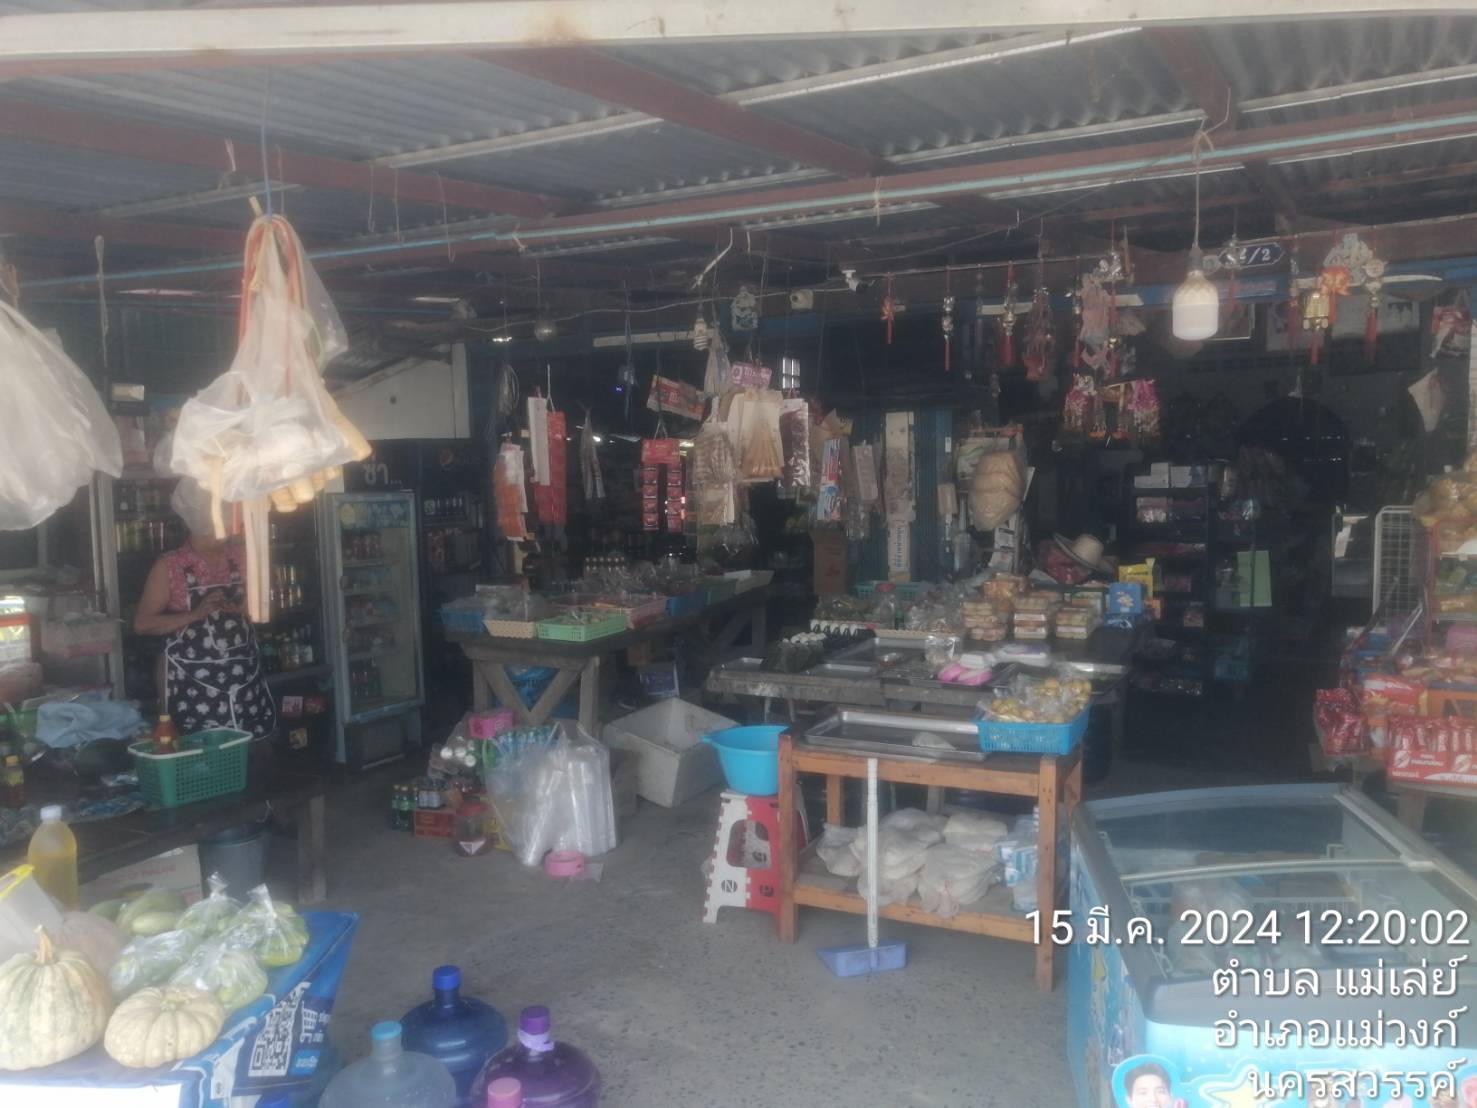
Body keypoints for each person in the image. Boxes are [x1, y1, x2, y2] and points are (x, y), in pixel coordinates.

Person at [133, 479, 276, 738]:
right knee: (200, 749)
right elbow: (143, 624)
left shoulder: (241, 556)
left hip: (243, 679)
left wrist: (242, 609)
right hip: (191, 686)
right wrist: (195, 614)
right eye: (217, 528)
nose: (225, 534)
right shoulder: (170, 566)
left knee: (251, 745)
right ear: (196, 525)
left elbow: (265, 607)